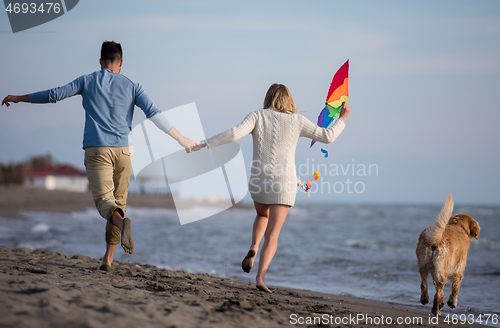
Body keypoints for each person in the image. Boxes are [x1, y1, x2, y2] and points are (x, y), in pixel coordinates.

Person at [1, 41, 197, 271]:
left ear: (101, 62)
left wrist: (18, 97)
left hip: (98, 150)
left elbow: (54, 95)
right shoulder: (133, 86)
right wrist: (182, 139)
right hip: (125, 151)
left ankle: (122, 227)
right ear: (121, 63)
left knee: (106, 203)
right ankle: (108, 259)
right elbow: (154, 113)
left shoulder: (87, 80)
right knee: (118, 203)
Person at [191, 83, 350, 293]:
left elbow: (233, 133)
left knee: (262, 215)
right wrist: (343, 118)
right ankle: (260, 277)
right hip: (284, 183)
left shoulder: (257, 116)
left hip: (259, 180)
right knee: (273, 235)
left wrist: (204, 143)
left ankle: (253, 246)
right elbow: (327, 137)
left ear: (268, 98)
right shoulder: (297, 120)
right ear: (289, 100)